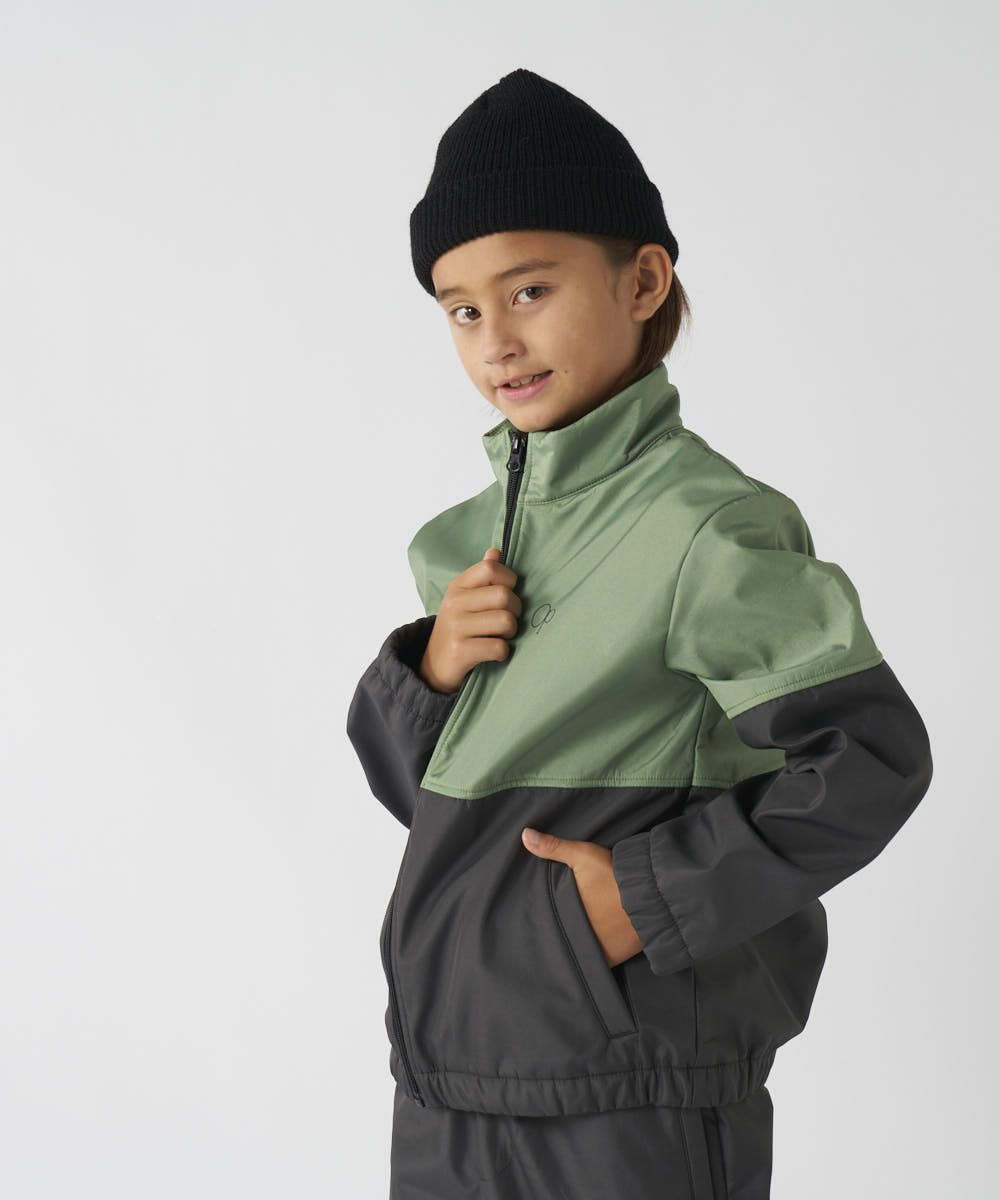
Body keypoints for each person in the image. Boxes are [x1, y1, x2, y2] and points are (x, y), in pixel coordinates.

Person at [346, 67, 933, 1200]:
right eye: (462, 310)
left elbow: (869, 757)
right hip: (446, 1086)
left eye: (529, 289)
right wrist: (429, 671)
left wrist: (646, 897)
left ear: (644, 281)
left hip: (628, 1096)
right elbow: (426, 808)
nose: (495, 340)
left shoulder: (704, 528)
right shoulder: (462, 545)